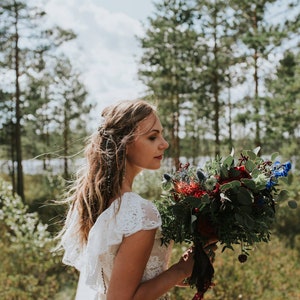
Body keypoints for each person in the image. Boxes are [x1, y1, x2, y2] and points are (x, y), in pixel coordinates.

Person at [59, 99, 216, 300]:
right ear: (125, 144)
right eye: (152, 137)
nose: (164, 144)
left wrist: (191, 264)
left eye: (161, 134)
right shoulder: (139, 213)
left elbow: (127, 281)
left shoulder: (104, 202)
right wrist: (180, 270)